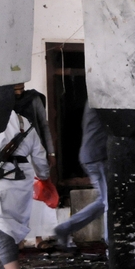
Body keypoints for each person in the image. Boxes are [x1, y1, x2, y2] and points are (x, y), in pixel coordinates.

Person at [0, 111, 51, 269]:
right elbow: (39, 154)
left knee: (2, 233)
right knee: (12, 232)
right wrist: (43, 177)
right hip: (23, 183)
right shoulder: (22, 121)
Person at [53, 102, 109, 247]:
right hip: (98, 154)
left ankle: (65, 228)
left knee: (104, 200)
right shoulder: (101, 100)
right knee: (110, 202)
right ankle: (112, 245)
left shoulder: (94, 100)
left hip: (91, 153)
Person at [13, 83, 56, 168]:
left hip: (35, 149)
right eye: (15, 90)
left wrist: (51, 153)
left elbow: (44, 125)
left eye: (21, 89)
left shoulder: (33, 98)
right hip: (14, 152)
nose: (19, 92)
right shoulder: (4, 103)